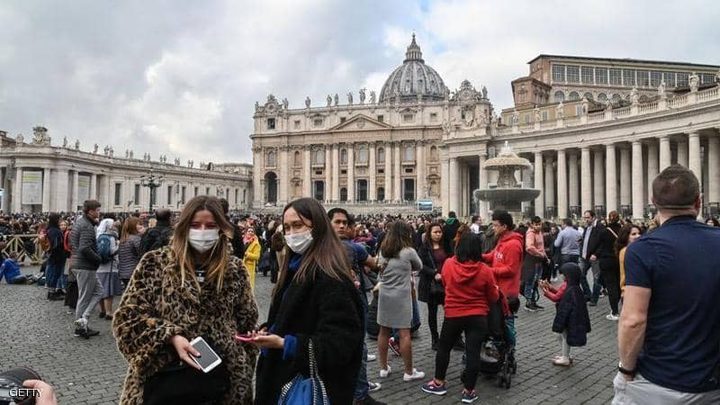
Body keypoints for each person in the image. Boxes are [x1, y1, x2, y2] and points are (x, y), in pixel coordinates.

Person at [112, 196, 258, 404]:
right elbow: (127, 319)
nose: (202, 231)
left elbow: (246, 323)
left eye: (210, 226)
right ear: (184, 227)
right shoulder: (155, 263)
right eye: (195, 225)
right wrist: (171, 336)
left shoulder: (235, 270)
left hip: (222, 384)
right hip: (164, 379)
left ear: (221, 229)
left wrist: (240, 358)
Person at [614, 165, 720, 404]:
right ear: (698, 202)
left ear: (653, 202)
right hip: (713, 381)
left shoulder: (642, 249)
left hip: (659, 379)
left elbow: (633, 320)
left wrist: (626, 371)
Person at [252, 198, 364, 405]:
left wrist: (286, 343)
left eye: (298, 225)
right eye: (286, 227)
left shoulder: (330, 277)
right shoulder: (294, 267)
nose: (291, 233)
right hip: (282, 376)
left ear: (317, 228)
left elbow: (341, 342)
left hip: (301, 384)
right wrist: (270, 329)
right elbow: (295, 318)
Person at [421, 233, 498, 403]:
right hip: (477, 316)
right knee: (473, 352)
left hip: (454, 313)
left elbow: (446, 284)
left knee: (444, 348)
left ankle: (438, 382)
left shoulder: (448, 264)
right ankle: (469, 391)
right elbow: (493, 297)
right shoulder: (485, 270)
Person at [328, 207, 384, 405]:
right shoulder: (354, 248)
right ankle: (359, 393)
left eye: (345, 222)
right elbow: (376, 264)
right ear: (328, 223)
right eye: (338, 222)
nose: (342, 226)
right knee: (357, 347)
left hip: (331, 303)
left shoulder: (318, 246)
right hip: (352, 299)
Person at [376, 221, 425, 383]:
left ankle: (383, 368)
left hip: (384, 295)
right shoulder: (408, 252)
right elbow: (419, 266)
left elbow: (378, 266)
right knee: (404, 334)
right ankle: (408, 371)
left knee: (383, 332)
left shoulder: (383, 250)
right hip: (402, 296)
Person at [482, 210, 523, 345]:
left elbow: (511, 270)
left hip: (508, 292)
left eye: (495, 225)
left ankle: (511, 349)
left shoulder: (513, 244)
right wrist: (477, 257)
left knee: (507, 323)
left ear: (504, 226)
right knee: (497, 322)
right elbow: (493, 255)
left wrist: (489, 271)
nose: (493, 228)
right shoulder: (502, 240)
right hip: (498, 288)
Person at [543, 263, 590, 366]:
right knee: (560, 335)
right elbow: (559, 293)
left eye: (563, 274)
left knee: (564, 335)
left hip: (568, 316)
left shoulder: (568, 286)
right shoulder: (572, 286)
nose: (561, 275)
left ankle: (565, 357)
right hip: (570, 315)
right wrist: (550, 288)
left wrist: (545, 291)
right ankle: (566, 354)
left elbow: (556, 297)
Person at [69, 200, 103, 339]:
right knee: (84, 297)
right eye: (97, 210)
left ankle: (84, 319)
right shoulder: (87, 226)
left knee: (99, 291)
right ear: (90, 211)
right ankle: (80, 327)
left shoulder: (79, 222)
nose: (99, 212)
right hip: (85, 265)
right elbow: (84, 248)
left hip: (80, 263)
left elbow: (75, 243)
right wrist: (98, 258)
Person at [417, 221, 450, 350]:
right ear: (429, 234)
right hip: (431, 284)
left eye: (440, 232)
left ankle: (450, 337)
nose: (438, 235)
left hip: (446, 281)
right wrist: (433, 273)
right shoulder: (424, 248)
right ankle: (435, 338)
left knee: (450, 310)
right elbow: (420, 265)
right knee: (432, 313)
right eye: (435, 232)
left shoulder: (446, 246)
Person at [96, 218, 122, 320]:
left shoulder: (98, 236)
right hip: (110, 266)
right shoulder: (111, 237)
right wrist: (119, 245)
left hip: (99, 267)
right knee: (108, 290)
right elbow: (112, 251)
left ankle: (102, 310)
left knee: (100, 289)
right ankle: (109, 312)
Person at [579, 210, 605, 305]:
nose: (586, 220)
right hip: (584, 256)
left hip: (595, 257)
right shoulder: (587, 227)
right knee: (580, 274)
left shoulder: (599, 227)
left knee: (596, 278)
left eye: (588, 218)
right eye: (585, 218)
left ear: (593, 217)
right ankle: (587, 294)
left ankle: (594, 299)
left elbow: (603, 243)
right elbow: (587, 239)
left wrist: (596, 254)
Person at [615, 224, 642, 303]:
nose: (638, 236)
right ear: (626, 237)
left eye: (639, 233)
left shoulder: (638, 249)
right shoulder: (625, 251)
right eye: (633, 234)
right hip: (630, 291)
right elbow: (624, 272)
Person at [45, 213, 66, 300]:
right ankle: (52, 293)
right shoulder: (55, 231)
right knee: (54, 274)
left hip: (52, 255)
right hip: (56, 256)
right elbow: (56, 245)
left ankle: (53, 291)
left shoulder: (50, 229)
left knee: (53, 273)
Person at [117, 216, 143, 287]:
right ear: (134, 226)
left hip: (124, 272)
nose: (141, 226)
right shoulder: (135, 239)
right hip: (133, 271)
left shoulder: (125, 239)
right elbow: (141, 253)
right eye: (139, 224)